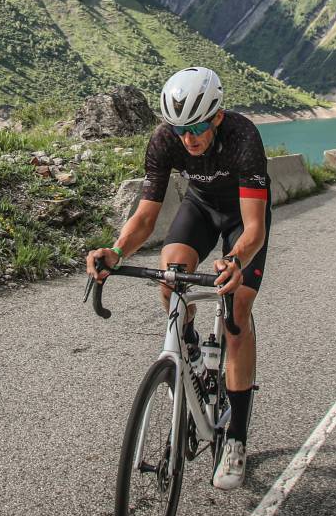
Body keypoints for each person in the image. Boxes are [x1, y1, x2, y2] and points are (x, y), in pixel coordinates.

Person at [86, 67, 270, 492]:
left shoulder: (243, 137)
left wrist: (234, 260)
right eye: (180, 129)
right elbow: (146, 216)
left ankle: (236, 438)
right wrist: (116, 252)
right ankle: (186, 349)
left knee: (237, 310)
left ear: (217, 117)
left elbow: (254, 228)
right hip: (200, 207)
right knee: (170, 275)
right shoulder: (164, 140)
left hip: (242, 217)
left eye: (198, 128)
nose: (189, 138)